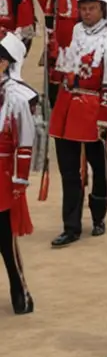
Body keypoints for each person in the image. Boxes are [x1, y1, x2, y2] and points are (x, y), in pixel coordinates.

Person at [48, 0, 107, 247]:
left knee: (98, 167)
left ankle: (99, 215)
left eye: (92, 8)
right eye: (83, 8)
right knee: (70, 170)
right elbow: (64, 67)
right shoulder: (76, 31)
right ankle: (71, 226)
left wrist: (106, 118)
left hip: (93, 110)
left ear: (103, 9)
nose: (87, 13)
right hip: (67, 108)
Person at [0, 31, 36, 314]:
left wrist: (20, 181)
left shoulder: (18, 97)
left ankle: (20, 290)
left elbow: (25, 141)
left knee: (4, 240)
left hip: (2, 175)